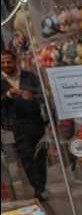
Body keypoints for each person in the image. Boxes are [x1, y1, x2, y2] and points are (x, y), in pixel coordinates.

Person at [1, 50, 49, 201]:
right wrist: (7, 96)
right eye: (2, 63)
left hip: (34, 123)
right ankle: (38, 188)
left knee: (40, 156)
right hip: (14, 126)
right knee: (26, 158)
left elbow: (43, 96)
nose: (5, 65)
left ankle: (41, 186)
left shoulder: (30, 76)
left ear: (15, 60)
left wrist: (33, 97)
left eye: (8, 62)